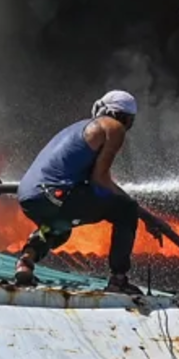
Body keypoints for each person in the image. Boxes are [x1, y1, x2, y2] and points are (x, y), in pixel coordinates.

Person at [16, 90, 151, 290]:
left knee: (59, 226)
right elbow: (100, 180)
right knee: (126, 209)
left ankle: (25, 263)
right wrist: (140, 211)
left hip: (29, 197)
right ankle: (119, 279)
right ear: (126, 118)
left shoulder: (79, 128)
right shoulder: (113, 127)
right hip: (54, 195)